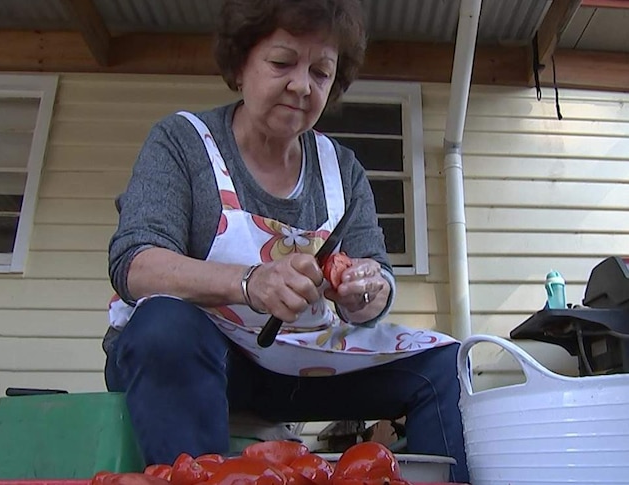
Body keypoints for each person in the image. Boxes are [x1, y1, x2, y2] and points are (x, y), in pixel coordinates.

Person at [103, 0, 470, 482]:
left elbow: (375, 280)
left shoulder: (342, 170)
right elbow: (135, 263)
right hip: (194, 361)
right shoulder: (184, 142)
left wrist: (366, 290)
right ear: (240, 65)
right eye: (282, 63)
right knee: (165, 325)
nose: (301, 85)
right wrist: (249, 281)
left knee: (443, 363)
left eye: (321, 72)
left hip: (298, 365)